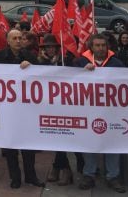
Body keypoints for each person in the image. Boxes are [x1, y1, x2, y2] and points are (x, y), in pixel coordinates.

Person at [73, 34, 126, 193]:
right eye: (97, 45)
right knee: (88, 143)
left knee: (111, 143)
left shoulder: (117, 63)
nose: (101, 48)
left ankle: (113, 176)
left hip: (111, 112)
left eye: (103, 45)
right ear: (91, 47)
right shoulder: (80, 62)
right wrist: (82, 72)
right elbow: (69, 81)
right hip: (87, 112)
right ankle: (89, 174)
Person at [0, 29, 44, 189]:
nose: (18, 41)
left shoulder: (29, 56)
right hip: (7, 108)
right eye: (14, 38)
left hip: (26, 108)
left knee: (28, 146)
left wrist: (32, 67)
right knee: (10, 146)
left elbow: (40, 78)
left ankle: (31, 176)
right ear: (7, 41)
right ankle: (15, 177)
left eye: (20, 38)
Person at [37, 34, 78, 185]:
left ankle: (61, 169)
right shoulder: (39, 63)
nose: (50, 49)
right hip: (47, 104)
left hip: (65, 103)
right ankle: (62, 168)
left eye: (53, 46)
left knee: (62, 136)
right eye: (47, 47)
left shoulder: (66, 60)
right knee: (55, 137)